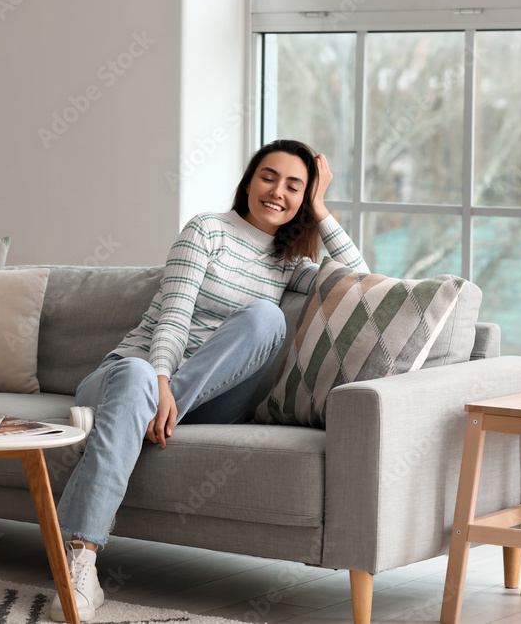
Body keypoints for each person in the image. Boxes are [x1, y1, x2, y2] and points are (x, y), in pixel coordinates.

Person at [50, 139, 370, 621]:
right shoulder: (206, 230)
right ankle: (81, 559)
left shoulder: (289, 263)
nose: (277, 192)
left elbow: (362, 285)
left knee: (266, 317)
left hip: (208, 400)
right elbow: (172, 319)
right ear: (249, 179)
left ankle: (118, 421)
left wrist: (323, 209)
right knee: (135, 375)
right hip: (133, 371)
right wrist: (160, 383)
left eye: (294, 186)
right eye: (268, 176)